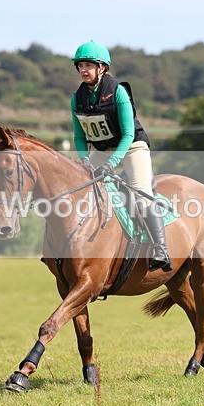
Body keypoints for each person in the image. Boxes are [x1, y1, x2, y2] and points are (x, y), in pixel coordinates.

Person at [70, 40, 171, 272]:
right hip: (102, 151)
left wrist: (113, 163)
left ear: (102, 68)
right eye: (80, 65)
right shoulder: (77, 98)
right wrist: (84, 160)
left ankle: (160, 249)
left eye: (89, 65)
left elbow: (127, 134)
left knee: (141, 194)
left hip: (132, 147)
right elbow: (79, 137)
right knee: (78, 188)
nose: (84, 70)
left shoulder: (118, 91)